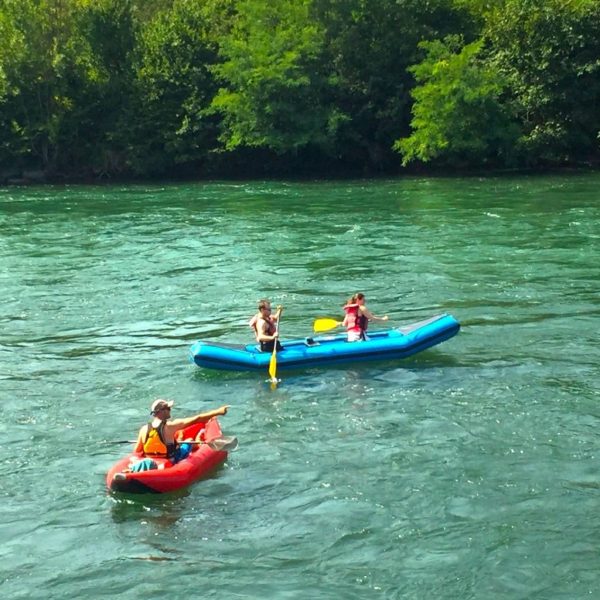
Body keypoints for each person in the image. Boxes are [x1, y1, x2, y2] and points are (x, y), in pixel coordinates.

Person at [133, 399, 229, 463]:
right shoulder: (171, 426)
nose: (170, 410)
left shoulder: (144, 429)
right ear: (162, 411)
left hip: (152, 460)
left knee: (175, 438)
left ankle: (180, 440)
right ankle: (197, 443)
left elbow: (137, 451)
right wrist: (218, 412)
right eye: (168, 408)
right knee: (190, 440)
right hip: (171, 460)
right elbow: (197, 419)